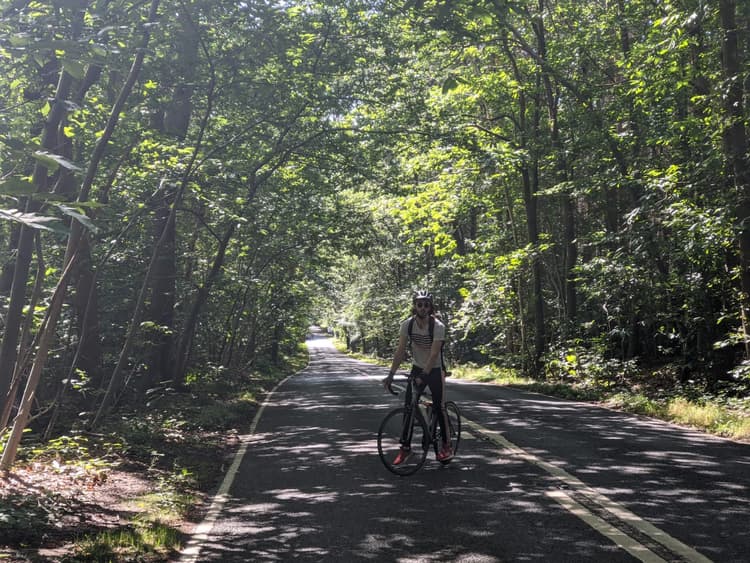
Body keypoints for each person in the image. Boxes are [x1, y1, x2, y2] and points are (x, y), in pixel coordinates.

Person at [383, 290, 453, 464]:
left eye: (426, 304)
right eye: (419, 304)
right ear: (414, 306)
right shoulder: (407, 325)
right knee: (409, 406)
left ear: (430, 307)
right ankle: (405, 448)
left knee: (439, 406)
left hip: (435, 369)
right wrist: (390, 375)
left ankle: (446, 445)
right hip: (417, 367)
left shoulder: (437, 326)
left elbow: (434, 354)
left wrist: (424, 375)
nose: (423, 308)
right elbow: (400, 351)